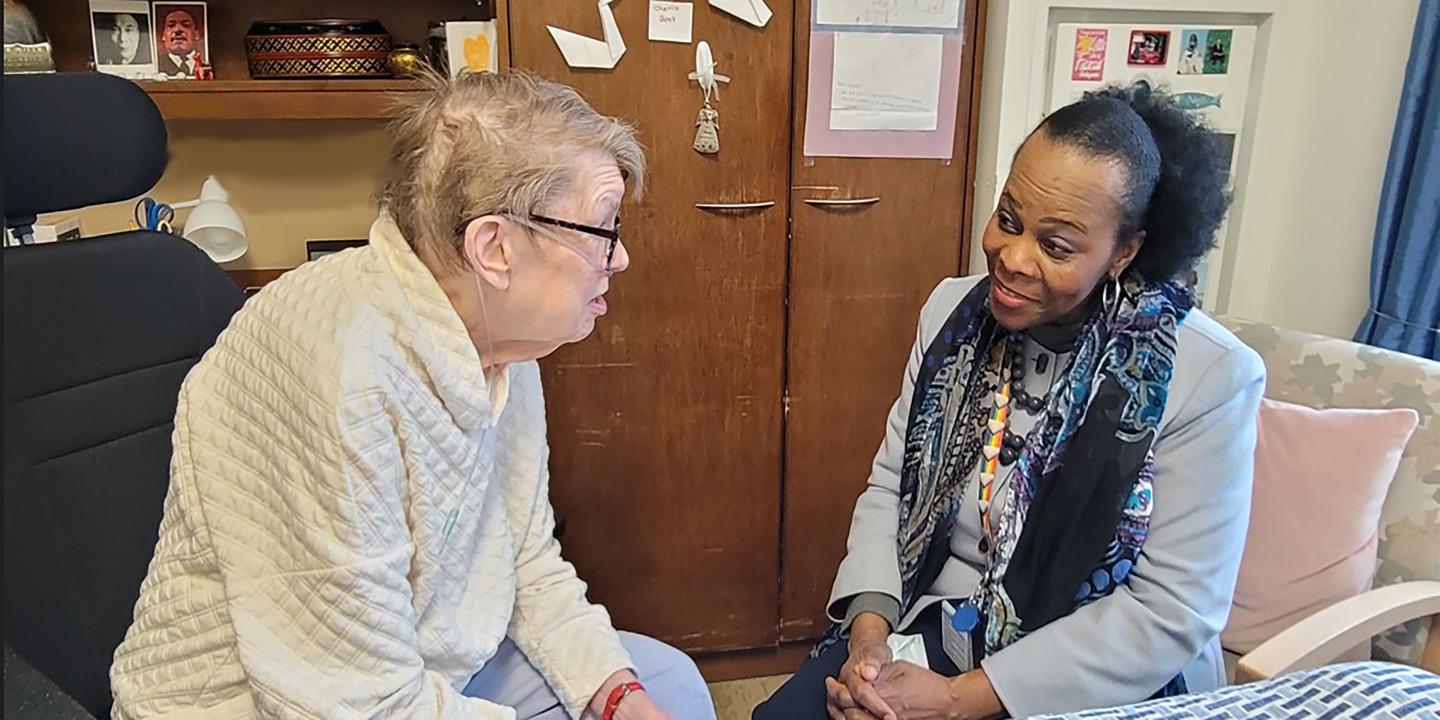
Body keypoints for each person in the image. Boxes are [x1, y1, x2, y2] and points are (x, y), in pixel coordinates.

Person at [110, 69, 716, 720]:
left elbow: (526, 562)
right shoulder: (341, 372)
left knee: (669, 687)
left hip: (433, 661)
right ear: (495, 249)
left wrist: (619, 698)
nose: (619, 258)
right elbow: (356, 703)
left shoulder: (501, 339)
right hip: (266, 700)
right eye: (602, 230)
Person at [755, 81, 1263, 719]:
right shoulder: (952, 312)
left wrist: (957, 701)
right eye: (1009, 220)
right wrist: (869, 637)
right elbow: (892, 486)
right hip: (932, 626)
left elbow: (1169, 612)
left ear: (1124, 252)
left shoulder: (1207, 378)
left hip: (1091, 675)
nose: (1013, 258)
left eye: (1055, 246)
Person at [156, 7, 202, 78]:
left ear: (196, 35)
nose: (177, 30)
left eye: (185, 25)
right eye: (171, 26)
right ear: (163, 36)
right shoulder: (155, 65)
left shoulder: (205, 62)